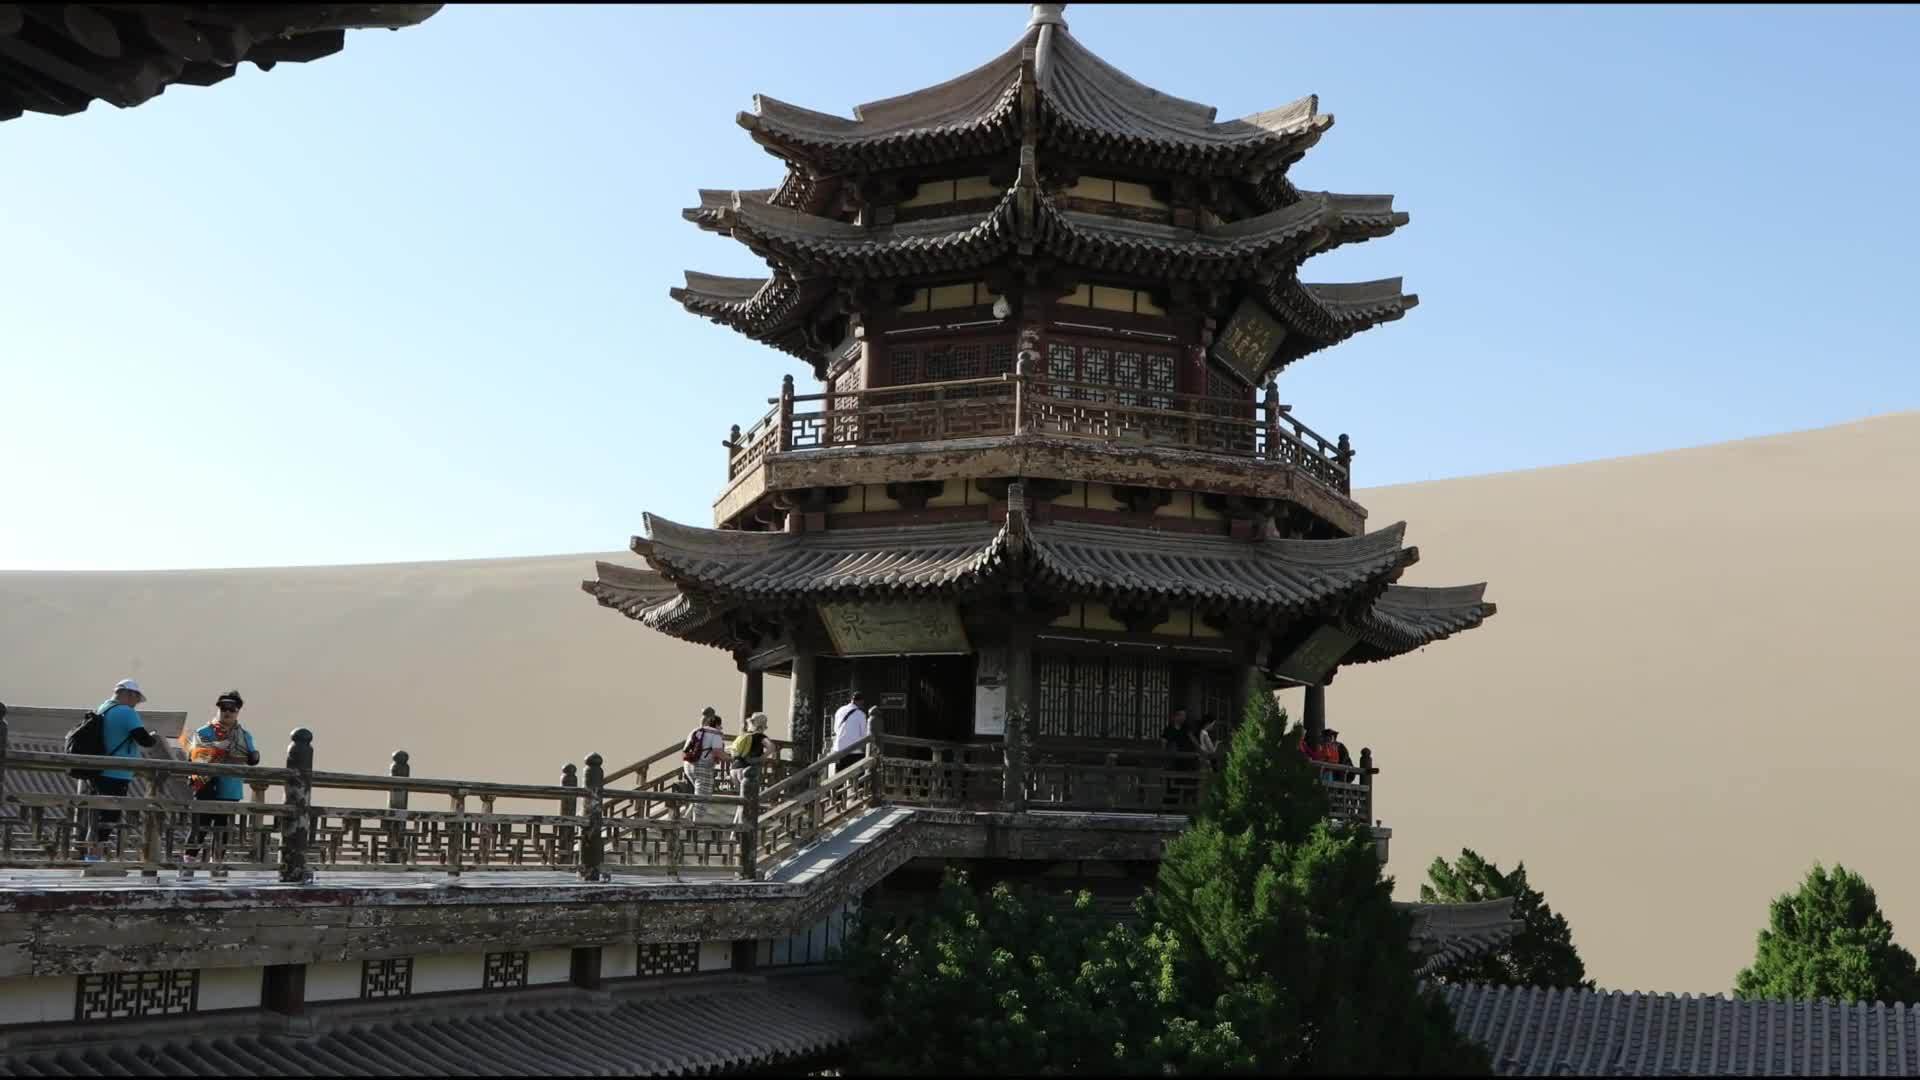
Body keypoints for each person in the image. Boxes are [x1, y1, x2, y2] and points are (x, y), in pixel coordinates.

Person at [178, 690, 259, 878]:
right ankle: (188, 863)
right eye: (223, 708)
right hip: (206, 785)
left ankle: (217, 864)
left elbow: (251, 757)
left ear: (238, 711)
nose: (227, 712)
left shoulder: (245, 736)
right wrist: (216, 748)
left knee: (222, 828)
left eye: (232, 709)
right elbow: (196, 755)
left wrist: (253, 756)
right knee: (199, 826)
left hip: (230, 786)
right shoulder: (204, 731)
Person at [682, 707, 731, 823]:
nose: (722, 728)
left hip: (689, 765)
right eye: (720, 725)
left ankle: (686, 817)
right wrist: (732, 758)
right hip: (703, 766)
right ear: (716, 724)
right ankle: (696, 822)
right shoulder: (715, 734)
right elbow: (717, 752)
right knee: (704, 796)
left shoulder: (696, 731)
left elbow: (685, 749)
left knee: (699, 793)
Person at [730, 712, 772, 824]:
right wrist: (761, 758)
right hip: (746, 770)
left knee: (742, 800)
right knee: (747, 801)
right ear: (763, 724)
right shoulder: (760, 736)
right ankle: (740, 830)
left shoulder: (744, 735)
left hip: (734, 768)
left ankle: (734, 829)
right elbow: (771, 747)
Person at [830, 690, 869, 775]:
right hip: (855, 750)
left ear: (852, 699)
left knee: (839, 777)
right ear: (861, 701)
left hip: (839, 748)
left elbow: (836, 729)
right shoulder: (861, 715)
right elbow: (864, 735)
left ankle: (837, 788)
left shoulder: (840, 710)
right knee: (858, 776)